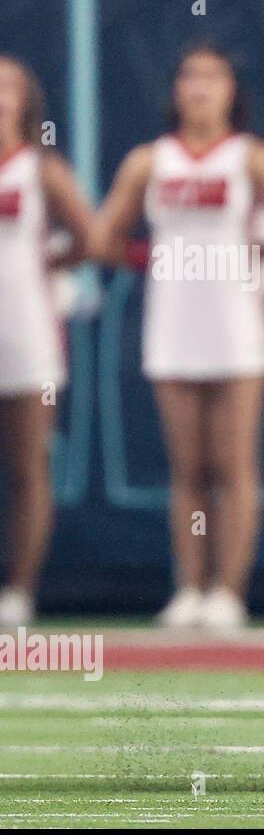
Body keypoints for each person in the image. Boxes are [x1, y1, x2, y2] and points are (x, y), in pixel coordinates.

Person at [92, 41, 264, 630]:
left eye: (214, 77)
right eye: (190, 76)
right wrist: (154, 257)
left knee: (233, 464)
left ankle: (228, 591)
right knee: (187, 468)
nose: (200, 88)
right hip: (172, 325)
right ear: (175, 90)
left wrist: (247, 248)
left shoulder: (253, 159)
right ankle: (188, 588)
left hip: (237, 327)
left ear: (231, 92)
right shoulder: (150, 161)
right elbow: (102, 240)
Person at [0, 55, 95, 626]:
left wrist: (47, 263)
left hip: (26, 335)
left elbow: (93, 236)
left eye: (9, 86)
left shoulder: (42, 170)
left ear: (26, 101)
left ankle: (18, 590)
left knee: (27, 464)